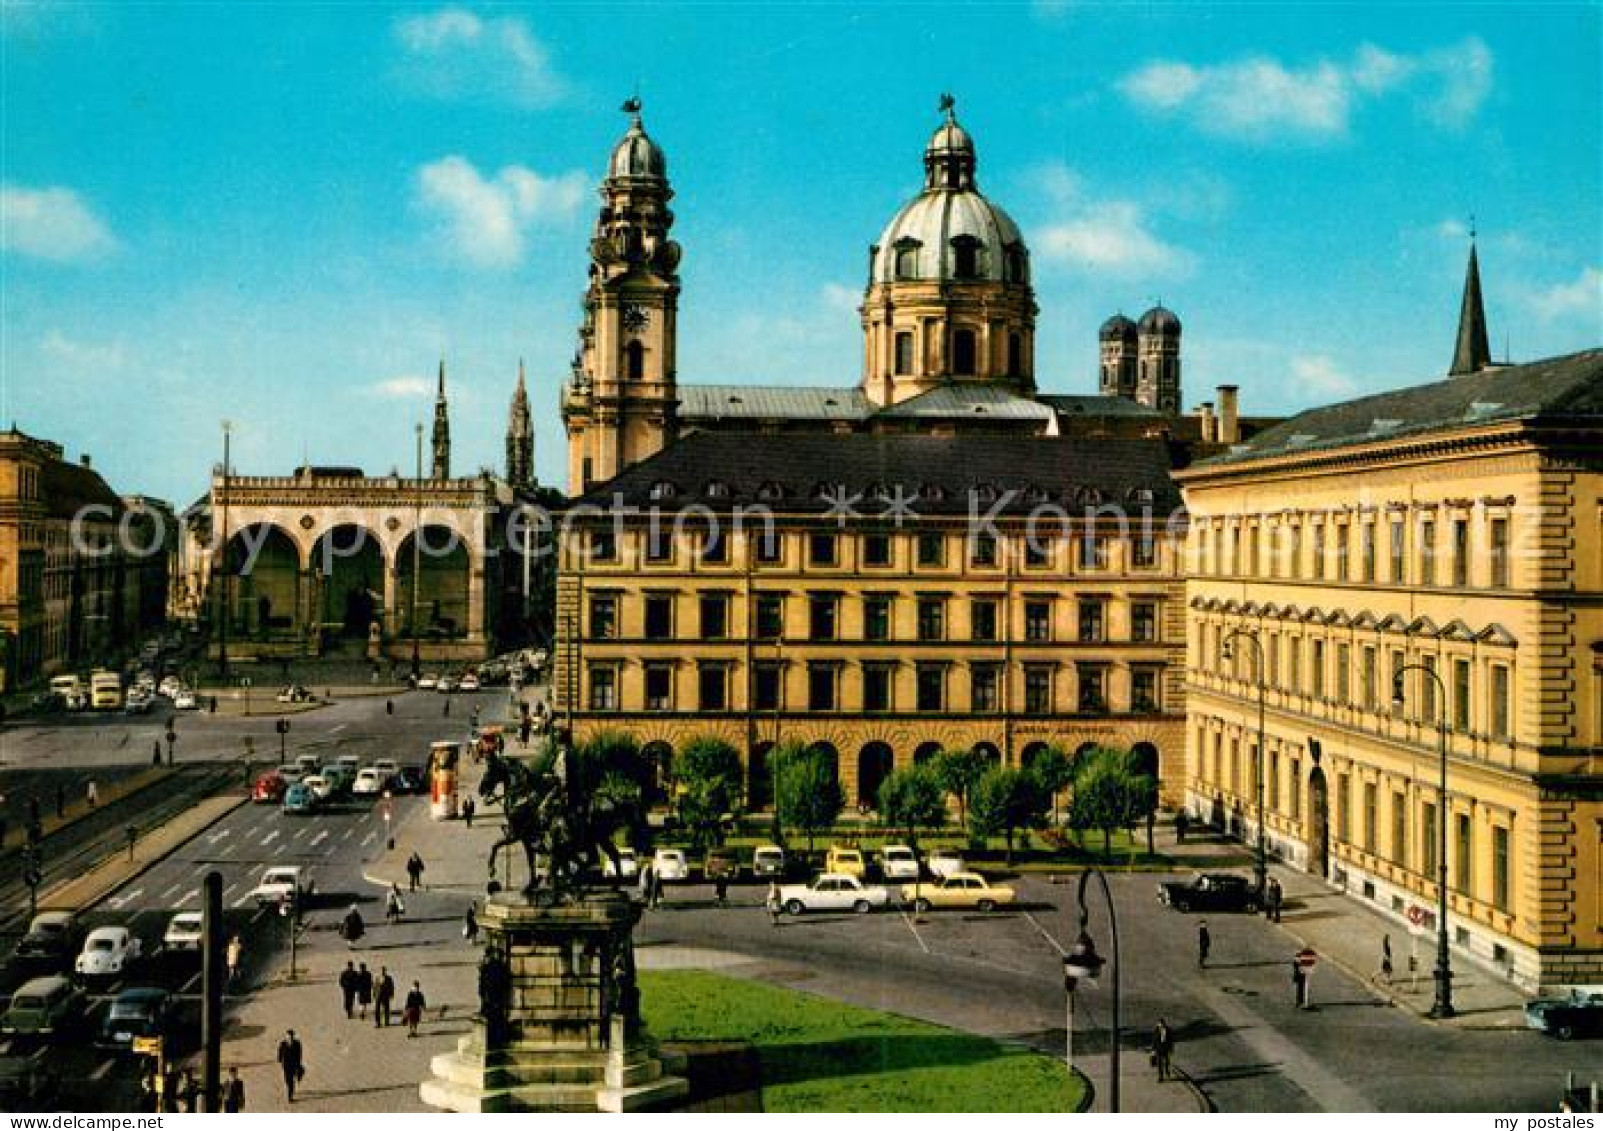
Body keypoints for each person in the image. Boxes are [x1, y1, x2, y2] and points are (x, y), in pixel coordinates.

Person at [276, 1029, 304, 1102]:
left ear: (293, 1036)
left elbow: (299, 1054)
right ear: (286, 1036)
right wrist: (279, 1059)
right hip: (286, 1065)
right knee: (288, 1080)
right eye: (288, 1036)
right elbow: (280, 1051)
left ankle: (290, 1096)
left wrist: (298, 1063)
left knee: (291, 1081)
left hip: (294, 1064)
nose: (289, 1038)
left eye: (291, 1036)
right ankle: (291, 1087)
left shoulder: (297, 1044)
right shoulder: (283, 1044)